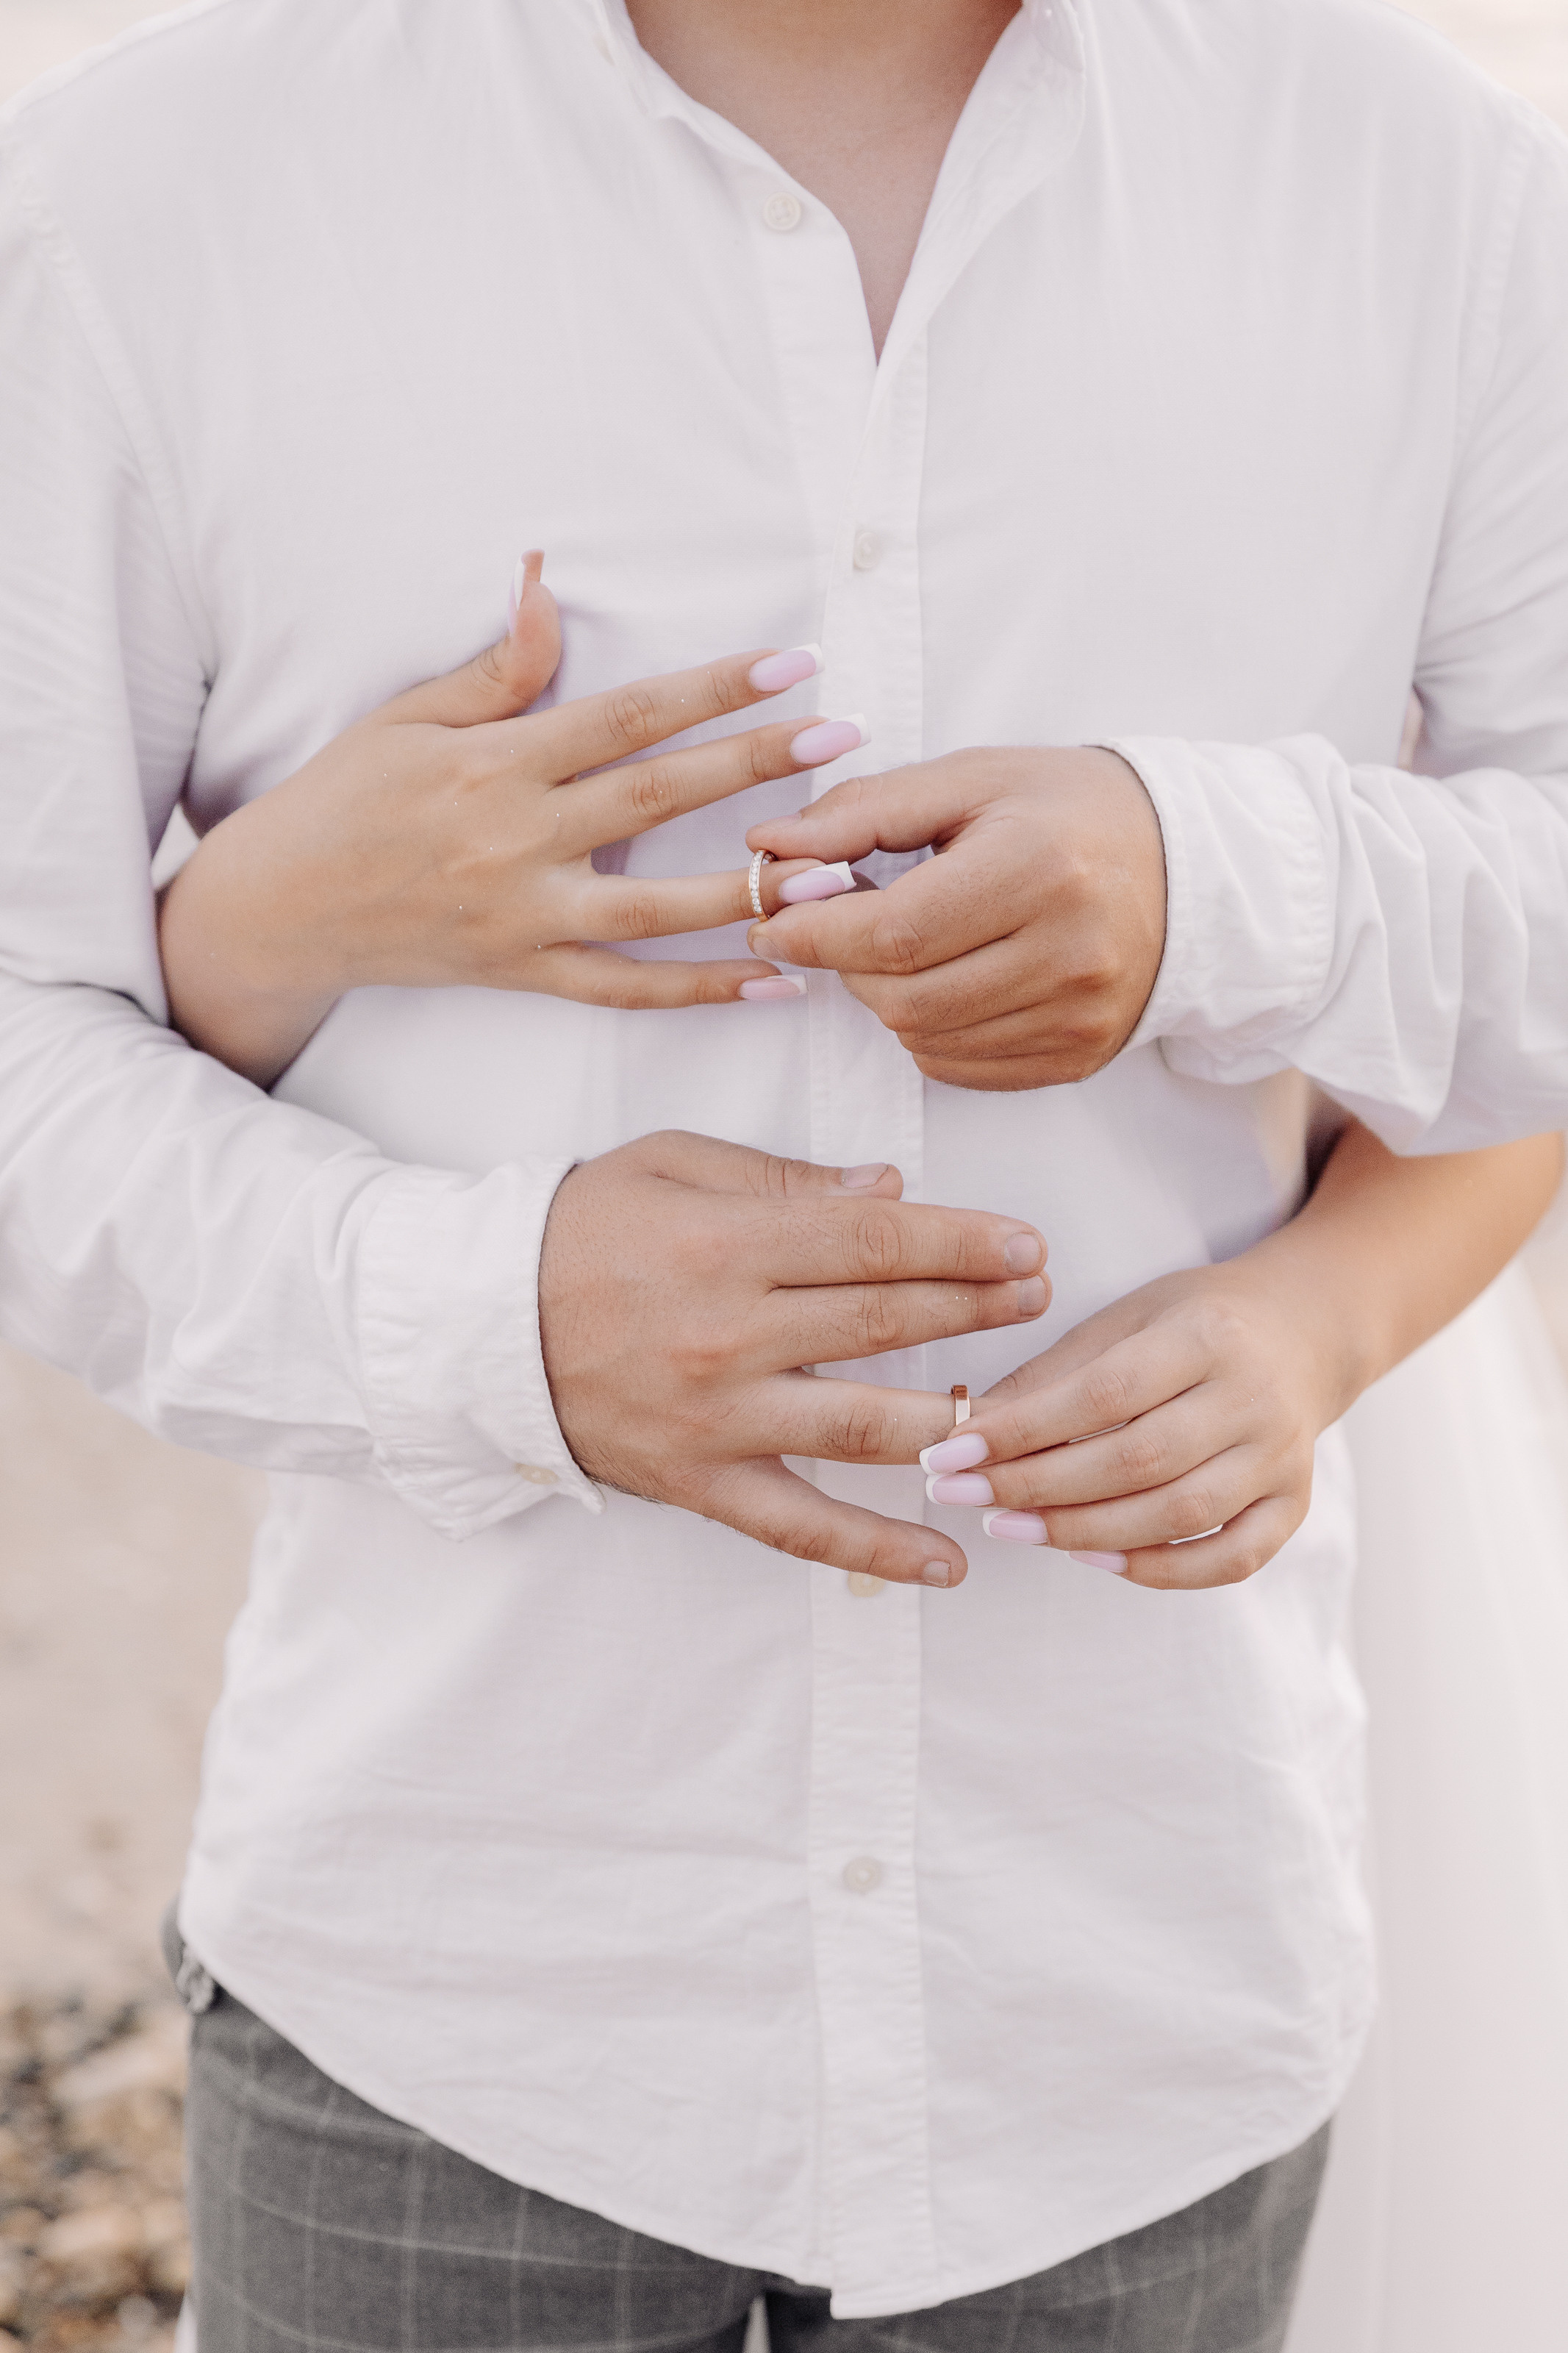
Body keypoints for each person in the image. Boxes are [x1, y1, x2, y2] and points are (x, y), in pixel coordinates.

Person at [2, 0, 1567, 2344]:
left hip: (1137, 1994)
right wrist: (489, 1319)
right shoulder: (143, 192)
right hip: (447, 1990)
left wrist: (1217, 880)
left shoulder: (1441, 188)